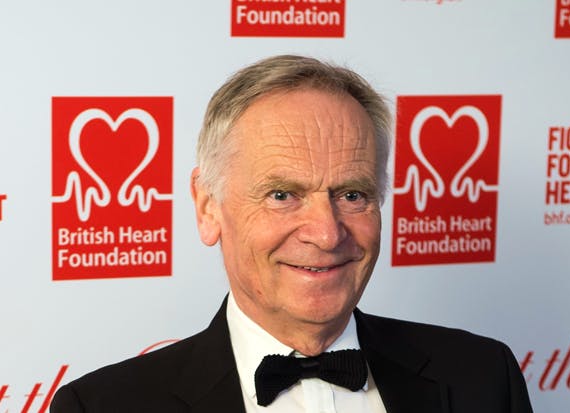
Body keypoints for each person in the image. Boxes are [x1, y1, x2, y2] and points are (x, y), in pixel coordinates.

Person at [50, 55, 533, 413]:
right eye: (282, 195)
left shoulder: (483, 377)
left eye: (352, 194)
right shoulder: (102, 406)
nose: (326, 233)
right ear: (208, 206)